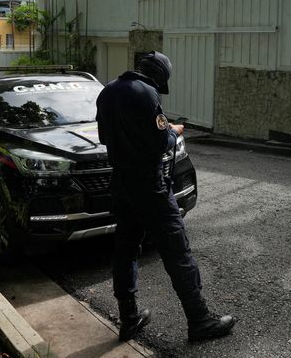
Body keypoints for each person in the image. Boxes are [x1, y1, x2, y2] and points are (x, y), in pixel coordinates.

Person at [96, 51, 235, 343]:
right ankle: (199, 320)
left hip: (121, 184)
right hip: (150, 187)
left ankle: (129, 318)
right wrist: (172, 132)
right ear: (159, 76)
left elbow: (104, 137)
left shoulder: (107, 91)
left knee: (125, 249)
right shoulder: (147, 93)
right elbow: (160, 142)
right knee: (177, 250)